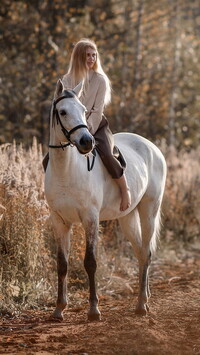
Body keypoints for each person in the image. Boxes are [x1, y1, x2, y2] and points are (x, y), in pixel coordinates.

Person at [62, 38, 131, 211]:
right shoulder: (67, 80)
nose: (91, 58)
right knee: (49, 158)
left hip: (95, 125)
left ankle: (124, 189)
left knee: (107, 154)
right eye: (87, 55)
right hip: (72, 127)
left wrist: (87, 132)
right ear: (79, 57)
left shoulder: (101, 80)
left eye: (94, 55)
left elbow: (97, 110)